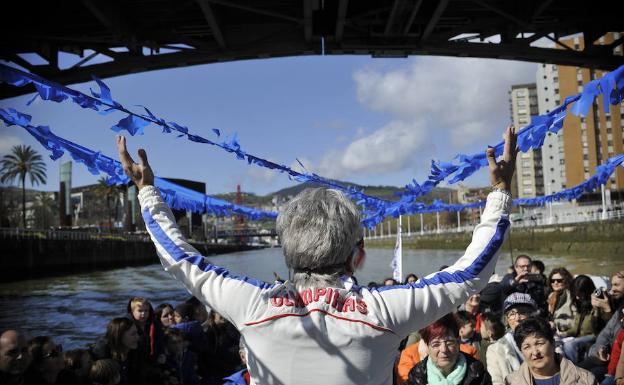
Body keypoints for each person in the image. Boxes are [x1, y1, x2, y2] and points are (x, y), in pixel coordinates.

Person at [116, 124, 517, 385]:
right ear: (354, 255)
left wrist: (147, 191)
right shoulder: (381, 311)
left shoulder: (253, 302)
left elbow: (180, 258)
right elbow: (470, 272)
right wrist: (499, 192)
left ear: (288, 247)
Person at [505, 317, 596, 385]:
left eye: (539, 343)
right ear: (521, 351)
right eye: (527, 347)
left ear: (553, 344)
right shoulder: (511, 382)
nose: (535, 352)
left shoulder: (585, 379)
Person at [406, 314, 491, 385]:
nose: (443, 349)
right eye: (436, 344)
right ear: (428, 347)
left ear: (458, 342)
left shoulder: (477, 375)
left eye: (449, 342)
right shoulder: (416, 377)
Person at [580, 271, 624, 381]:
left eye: (616, 285)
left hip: (616, 363)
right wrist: (596, 310)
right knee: (572, 370)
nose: (612, 289)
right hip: (605, 355)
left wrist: (607, 310)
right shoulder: (617, 305)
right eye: (612, 284)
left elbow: (619, 335)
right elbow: (603, 334)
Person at [487, 293, 537, 385]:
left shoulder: (546, 341)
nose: (518, 318)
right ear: (507, 319)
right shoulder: (495, 349)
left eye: (522, 312)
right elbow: (497, 381)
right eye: (512, 314)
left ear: (532, 315)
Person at [90, 317, 145, 385]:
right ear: (119, 336)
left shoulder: (136, 349)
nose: (138, 337)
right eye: (133, 334)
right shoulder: (102, 352)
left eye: (137, 333)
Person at [560, 275, 597, 364]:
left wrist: (596, 310)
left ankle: (575, 368)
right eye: (575, 294)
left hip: (593, 337)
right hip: (580, 337)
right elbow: (576, 327)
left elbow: (599, 330)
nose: (577, 297)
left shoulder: (598, 305)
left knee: (570, 345)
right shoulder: (581, 304)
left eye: (580, 294)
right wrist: (565, 333)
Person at [547, 268, 574, 334]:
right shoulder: (551, 296)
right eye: (552, 281)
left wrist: (556, 324)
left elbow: (576, 321)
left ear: (566, 281)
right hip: (553, 331)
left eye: (559, 280)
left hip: (567, 332)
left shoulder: (572, 297)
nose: (555, 283)